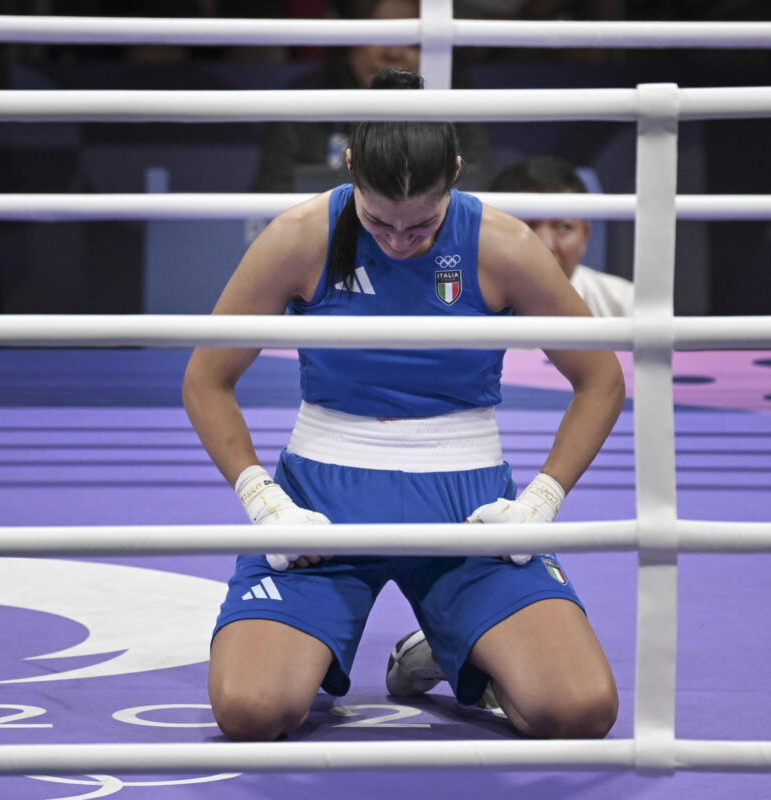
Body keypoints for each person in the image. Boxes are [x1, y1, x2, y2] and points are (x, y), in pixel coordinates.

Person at [183, 69, 623, 742]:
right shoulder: (300, 235)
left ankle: (457, 645)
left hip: (466, 506)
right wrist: (262, 502)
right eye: (378, 220)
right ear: (351, 166)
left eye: (420, 224)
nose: (397, 239)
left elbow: (601, 379)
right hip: (323, 501)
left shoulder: (501, 244)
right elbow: (205, 379)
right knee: (251, 711)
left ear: (454, 171)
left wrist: (540, 504)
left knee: (580, 710)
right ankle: (463, 640)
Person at [252, 0, 495, 193]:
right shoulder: (306, 105)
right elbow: (272, 195)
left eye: (411, 42)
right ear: (350, 42)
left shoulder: (456, 110)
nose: (393, 53)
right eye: (381, 34)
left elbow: (478, 190)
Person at [489, 156, 634, 316]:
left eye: (563, 227)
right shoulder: (461, 304)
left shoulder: (625, 305)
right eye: (527, 226)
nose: (546, 245)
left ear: (585, 235)